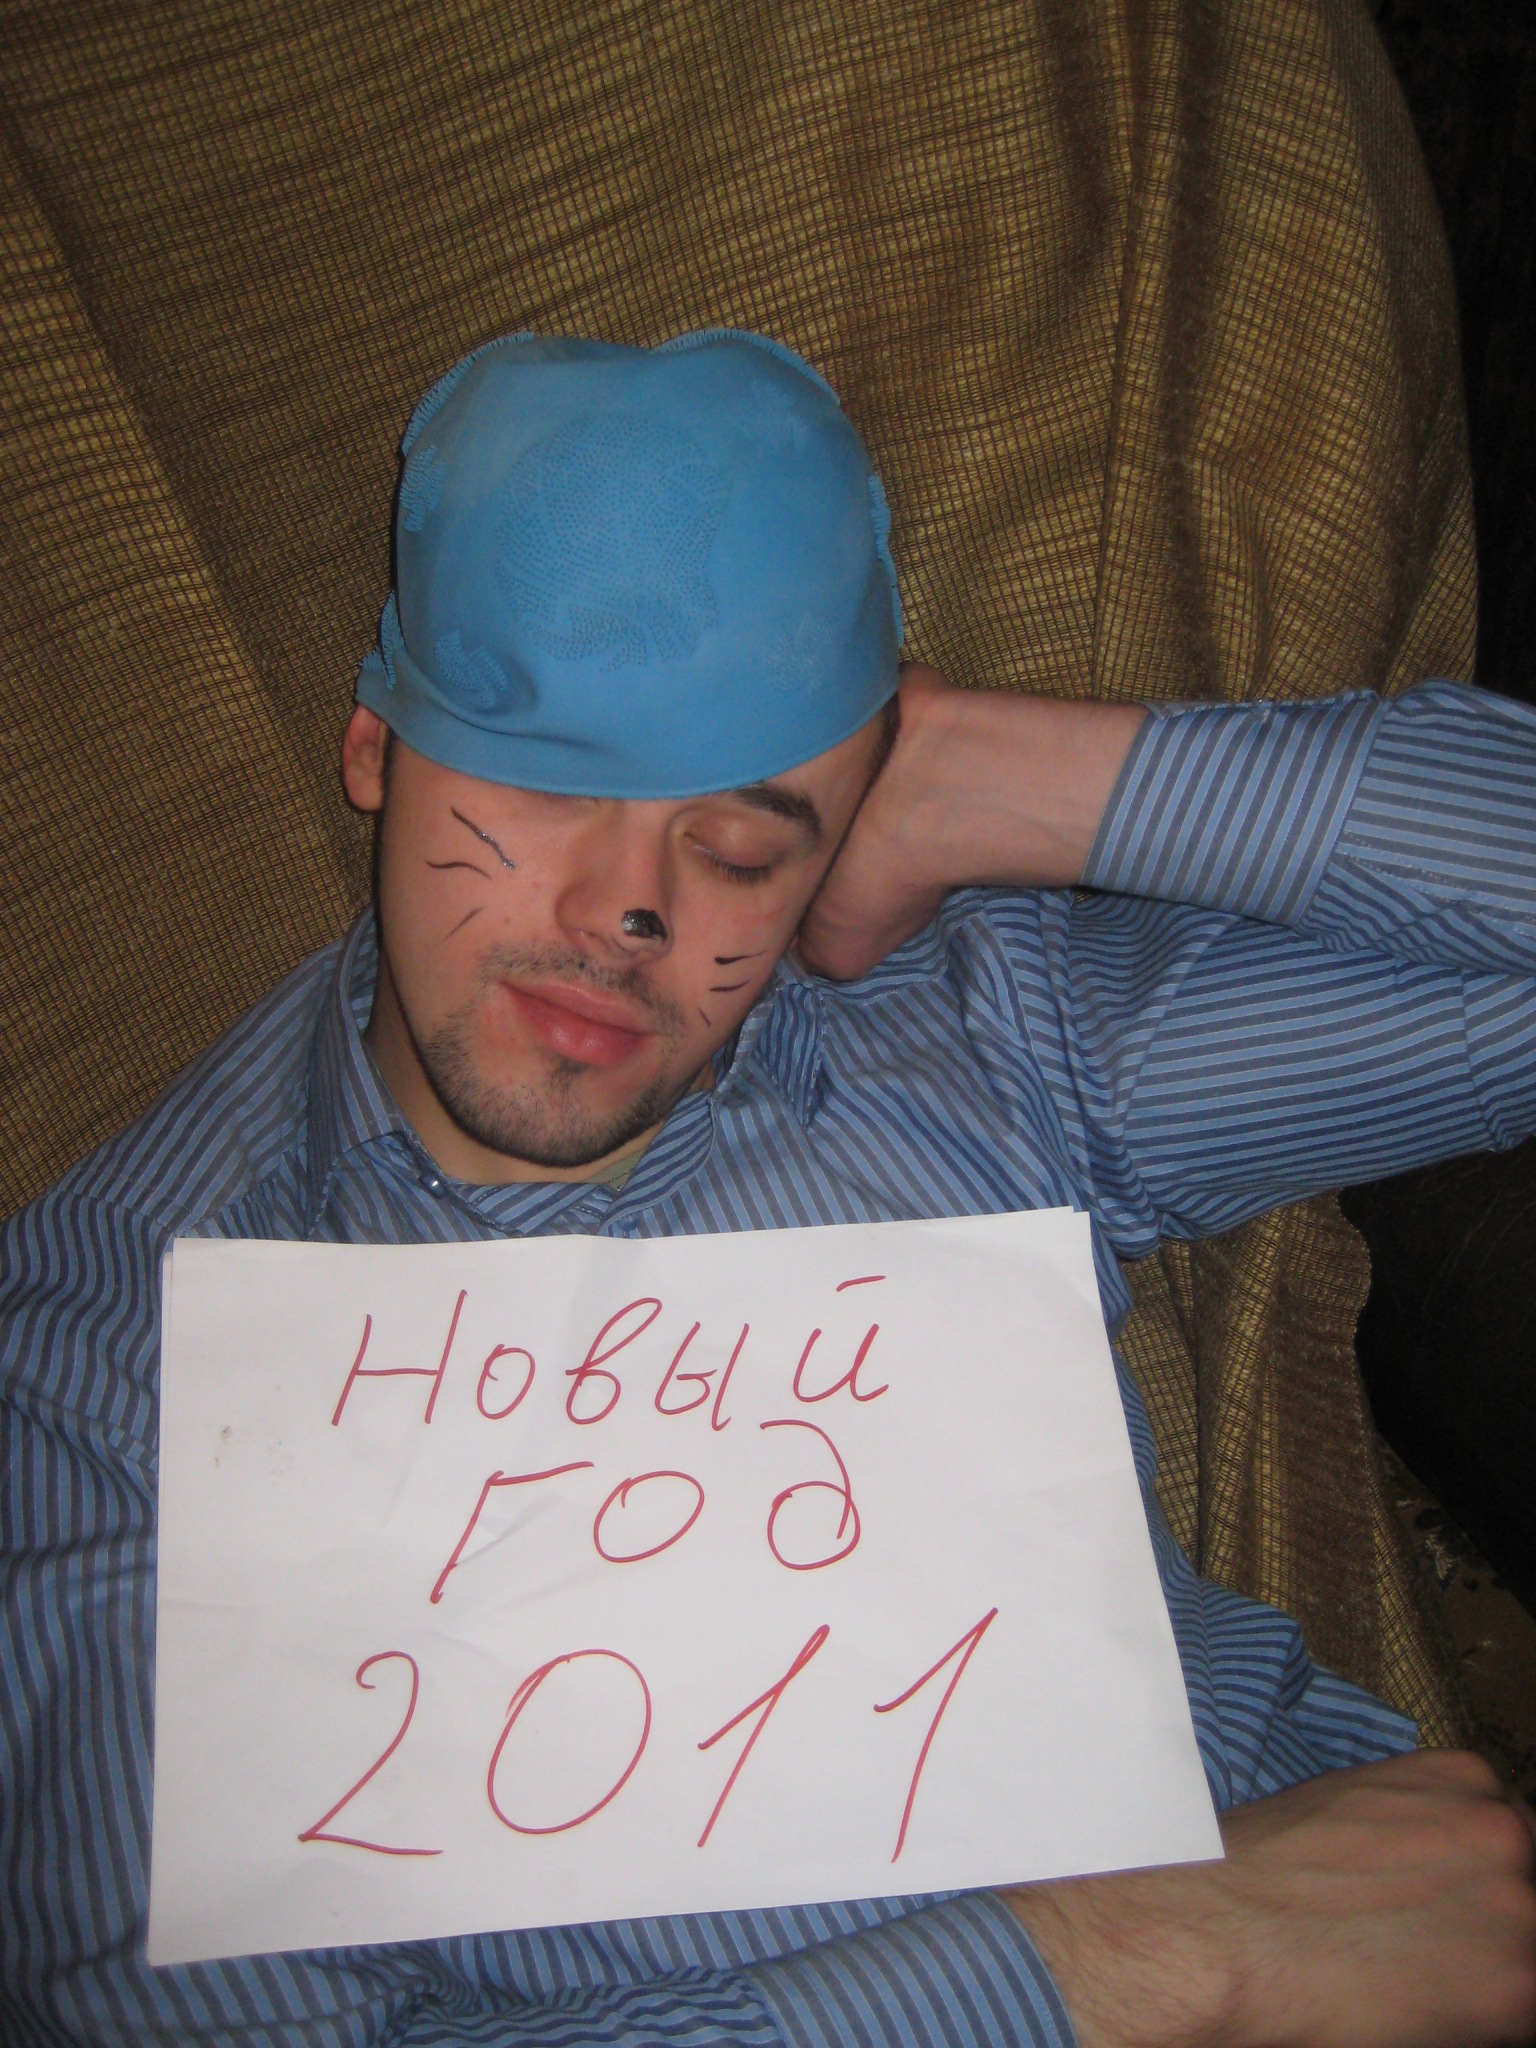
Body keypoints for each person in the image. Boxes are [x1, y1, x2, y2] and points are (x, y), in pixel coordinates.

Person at [2, 329, 1533, 2048]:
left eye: (739, 845)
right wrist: (1134, 1963)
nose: (627, 913)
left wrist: (1026, 776)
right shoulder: (99, 1368)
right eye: (548, 783)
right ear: (375, 746)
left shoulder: (979, 1034)